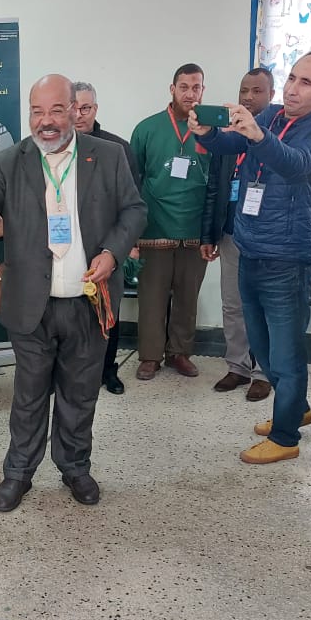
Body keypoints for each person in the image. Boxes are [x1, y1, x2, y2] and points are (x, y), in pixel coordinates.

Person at [0, 74, 146, 513]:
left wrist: (111, 252)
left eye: (56, 110)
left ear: (75, 110)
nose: (46, 121)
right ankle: (18, 473)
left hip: (89, 300)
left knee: (80, 394)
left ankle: (75, 467)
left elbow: (134, 210)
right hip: (32, 303)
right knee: (28, 396)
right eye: (37, 111)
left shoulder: (107, 156)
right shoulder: (10, 161)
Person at [190, 49, 311, 465]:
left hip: (287, 257)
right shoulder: (271, 115)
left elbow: (294, 164)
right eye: (291, 78)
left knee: (286, 354)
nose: (292, 88)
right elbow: (228, 144)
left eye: (305, 82)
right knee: (264, 348)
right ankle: (296, 407)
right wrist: (207, 133)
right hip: (249, 247)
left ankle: (286, 436)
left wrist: (258, 135)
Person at [130, 64, 211, 381]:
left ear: (203, 90)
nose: (190, 93)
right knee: (152, 297)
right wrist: (132, 232)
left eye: (196, 87)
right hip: (155, 228)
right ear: (172, 89)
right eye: (184, 87)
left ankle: (180, 353)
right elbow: (132, 182)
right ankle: (150, 356)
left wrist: (212, 232)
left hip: (195, 229)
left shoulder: (211, 132)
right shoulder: (147, 129)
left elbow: (218, 183)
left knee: (188, 298)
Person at [200, 69, 275, 402]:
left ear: (271, 95)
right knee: (232, 304)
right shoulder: (228, 138)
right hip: (231, 233)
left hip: (265, 238)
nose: (248, 96)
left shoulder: (276, 136)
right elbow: (214, 188)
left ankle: (263, 373)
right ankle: (238, 367)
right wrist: (208, 235)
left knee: (264, 308)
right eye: (244, 90)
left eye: (257, 90)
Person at [73, 81, 142, 396]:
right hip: (69, 246)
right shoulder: (56, 148)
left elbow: (133, 202)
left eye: (85, 108)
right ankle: (72, 372)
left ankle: (107, 370)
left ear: (95, 109)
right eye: (73, 107)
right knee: (71, 313)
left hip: (108, 246)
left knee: (107, 311)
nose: (79, 114)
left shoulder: (117, 148)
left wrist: (129, 245)